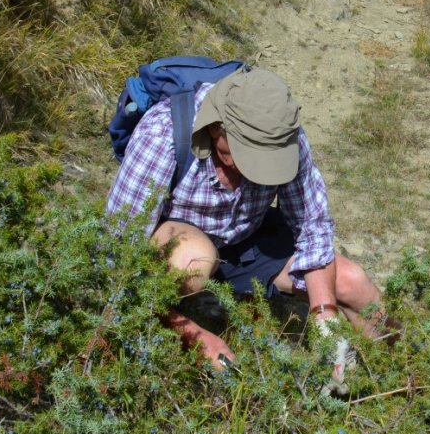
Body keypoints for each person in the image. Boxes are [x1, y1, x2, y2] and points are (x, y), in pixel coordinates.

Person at [106, 66, 386, 369]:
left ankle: (398, 372)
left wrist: (324, 317)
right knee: (192, 260)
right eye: (250, 155)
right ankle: (167, 311)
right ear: (216, 129)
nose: (259, 168)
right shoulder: (163, 134)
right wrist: (194, 336)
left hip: (249, 236)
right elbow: (117, 257)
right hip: (182, 242)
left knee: (352, 282)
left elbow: (312, 227)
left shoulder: (280, 132)